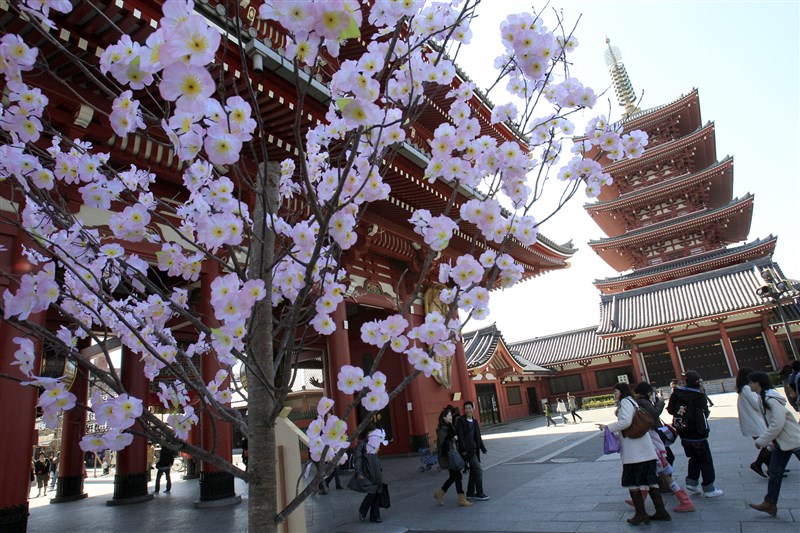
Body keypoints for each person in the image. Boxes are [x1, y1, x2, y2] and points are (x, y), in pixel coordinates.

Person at [598, 383, 668, 525]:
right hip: (644, 450)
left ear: (621, 391)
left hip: (635, 454)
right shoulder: (633, 401)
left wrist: (608, 428)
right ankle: (661, 511)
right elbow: (630, 427)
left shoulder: (625, 401)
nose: (614, 394)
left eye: (615, 391)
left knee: (633, 482)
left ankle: (641, 514)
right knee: (650, 481)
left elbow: (626, 422)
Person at [632, 382, 693, 513]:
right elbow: (655, 413)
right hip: (656, 447)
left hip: (655, 449)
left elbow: (653, 415)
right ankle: (641, 499)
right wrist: (660, 402)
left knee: (657, 473)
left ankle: (683, 501)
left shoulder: (643, 413)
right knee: (656, 473)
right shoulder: (643, 404)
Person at [747, 371, 800, 516]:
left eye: (751, 382)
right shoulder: (763, 398)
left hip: (792, 440)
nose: (749, 385)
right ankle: (769, 503)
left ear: (757, 383)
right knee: (774, 472)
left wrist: (762, 441)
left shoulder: (770, 399)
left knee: (775, 473)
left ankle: (769, 503)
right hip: (782, 443)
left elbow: (777, 423)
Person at [666, 370, 723, 497]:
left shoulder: (677, 392)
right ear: (697, 381)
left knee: (694, 457)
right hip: (697, 432)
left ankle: (692, 481)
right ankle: (708, 487)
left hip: (683, 431)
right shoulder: (699, 395)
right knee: (705, 460)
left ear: (685, 380)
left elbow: (670, 410)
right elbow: (704, 412)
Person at [735, 367, 770, 478]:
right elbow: (756, 403)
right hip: (755, 422)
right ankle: (757, 464)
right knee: (768, 445)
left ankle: (773, 468)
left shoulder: (743, 389)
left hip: (753, 421)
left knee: (766, 445)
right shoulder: (746, 389)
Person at [434, 406, 472, 507]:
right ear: (444, 418)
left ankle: (440, 493)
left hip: (453, 456)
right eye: (449, 415)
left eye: (451, 415)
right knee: (457, 476)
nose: (451, 417)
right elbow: (444, 444)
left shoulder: (450, 426)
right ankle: (461, 498)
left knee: (453, 477)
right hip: (449, 457)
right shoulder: (442, 429)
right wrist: (453, 438)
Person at [348, 427, 386, 523]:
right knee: (372, 492)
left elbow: (376, 458)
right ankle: (363, 510)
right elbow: (358, 460)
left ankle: (375, 516)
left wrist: (380, 470)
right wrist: (359, 473)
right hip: (367, 473)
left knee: (377, 493)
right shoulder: (361, 445)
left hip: (377, 472)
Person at [455, 400, 489, 501]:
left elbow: (478, 437)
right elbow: (460, 436)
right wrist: (463, 449)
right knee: (478, 470)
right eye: (466, 408)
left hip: (474, 449)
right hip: (467, 450)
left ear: (473, 409)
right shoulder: (461, 421)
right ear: (464, 410)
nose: (468, 410)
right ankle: (479, 493)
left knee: (474, 471)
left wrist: (483, 448)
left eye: (469, 408)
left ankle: (470, 493)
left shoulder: (474, 422)